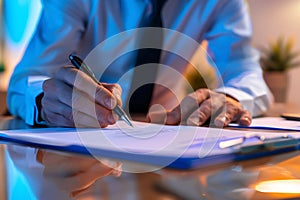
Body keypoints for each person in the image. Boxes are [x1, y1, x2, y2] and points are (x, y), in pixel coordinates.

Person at [7, 0, 272, 128]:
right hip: (83, 143)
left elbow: (246, 73)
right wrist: (45, 100)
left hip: (167, 137)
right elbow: (26, 79)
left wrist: (230, 97)